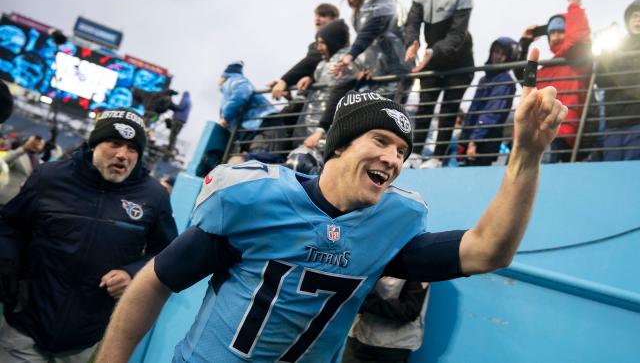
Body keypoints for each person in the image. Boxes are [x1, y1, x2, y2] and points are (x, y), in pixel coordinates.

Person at [96, 56, 568, 363]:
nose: (393, 158)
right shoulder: (256, 200)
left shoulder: (391, 224)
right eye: (380, 141)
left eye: (403, 151)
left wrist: (526, 154)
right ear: (339, 146)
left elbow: (489, 251)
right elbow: (155, 280)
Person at [0, 108, 178, 363]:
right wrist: (6, 258)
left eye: (131, 149)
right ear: (94, 144)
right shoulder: (49, 178)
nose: (122, 155)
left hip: (87, 334)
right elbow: (10, 226)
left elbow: (166, 253)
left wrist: (133, 272)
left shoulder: (154, 196)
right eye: (114, 143)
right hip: (26, 324)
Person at [403, 0, 475, 169]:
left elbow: (457, 35)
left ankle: (438, 157)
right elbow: (412, 22)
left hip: (459, 60)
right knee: (425, 104)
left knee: (448, 108)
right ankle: (414, 154)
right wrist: (412, 41)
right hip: (430, 59)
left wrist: (433, 51)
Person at [518, 0, 592, 163]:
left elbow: (579, 39)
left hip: (559, 133)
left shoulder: (578, 60)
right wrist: (524, 43)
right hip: (535, 131)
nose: (556, 36)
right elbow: (523, 78)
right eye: (552, 33)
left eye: (561, 31)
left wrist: (574, 8)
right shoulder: (545, 69)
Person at [332, 0, 408, 97]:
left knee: (391, 113)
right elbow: (371, 46)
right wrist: (364, 67)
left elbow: (375, 25)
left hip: (397, 66)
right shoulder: (357, 13)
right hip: (377, 73)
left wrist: (351, 55)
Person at [293, 18, 363, 149]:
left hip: (326, 135)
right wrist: (311, 79)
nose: (318, 48)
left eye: (322, 43)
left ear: (332, 42)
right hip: (313, 133)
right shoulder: (325, 63)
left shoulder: (343, 64)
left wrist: (321, 130)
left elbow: (338, 95)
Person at [460, 37, 518, 166]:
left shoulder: (505, 81)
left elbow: (492, 113)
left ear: (509, 58)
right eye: (496, 51)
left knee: (475, 179)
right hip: (474, 138)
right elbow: (473, 110)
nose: (498, 56)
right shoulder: (485, 79)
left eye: (503, 54)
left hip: (484, 142)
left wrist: (474, 141)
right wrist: (465, 139)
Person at [342, 278, 429, 363]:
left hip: (390, 348)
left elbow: (408, 310)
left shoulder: (419, 267)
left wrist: (363, 300)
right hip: (357, 338)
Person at [595, 0, 640, 161]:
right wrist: (604, 60)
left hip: (637, 121)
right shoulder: (616, 47)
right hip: (613, 122)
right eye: (634, 16)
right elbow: (601, 80)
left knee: (633, 170)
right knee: (611, 169)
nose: (638, 19)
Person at [269, 3, 340, 100]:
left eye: (323, 15)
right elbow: (310, 70)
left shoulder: (337, 43)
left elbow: (311, 61)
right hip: (315, 102)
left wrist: (284, 81)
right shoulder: (313, 46)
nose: (317, 19)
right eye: (316, 16)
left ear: (334, 21)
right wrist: (289, 94)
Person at [218, 60, 278, 151]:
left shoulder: (233, 81)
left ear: (224, 75)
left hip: (259, 121)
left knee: (261, 156)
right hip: (253, 125)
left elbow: (242, 92)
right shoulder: (232, 83)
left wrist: (226, 117)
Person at [0, 135, 45, 206]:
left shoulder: (42, 163)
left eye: (40, 143)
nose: (36, 145)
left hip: (23, 203)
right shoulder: (17, 155)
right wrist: (24, 148)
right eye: (33, 142)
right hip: (5, 198)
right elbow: (4, 160)